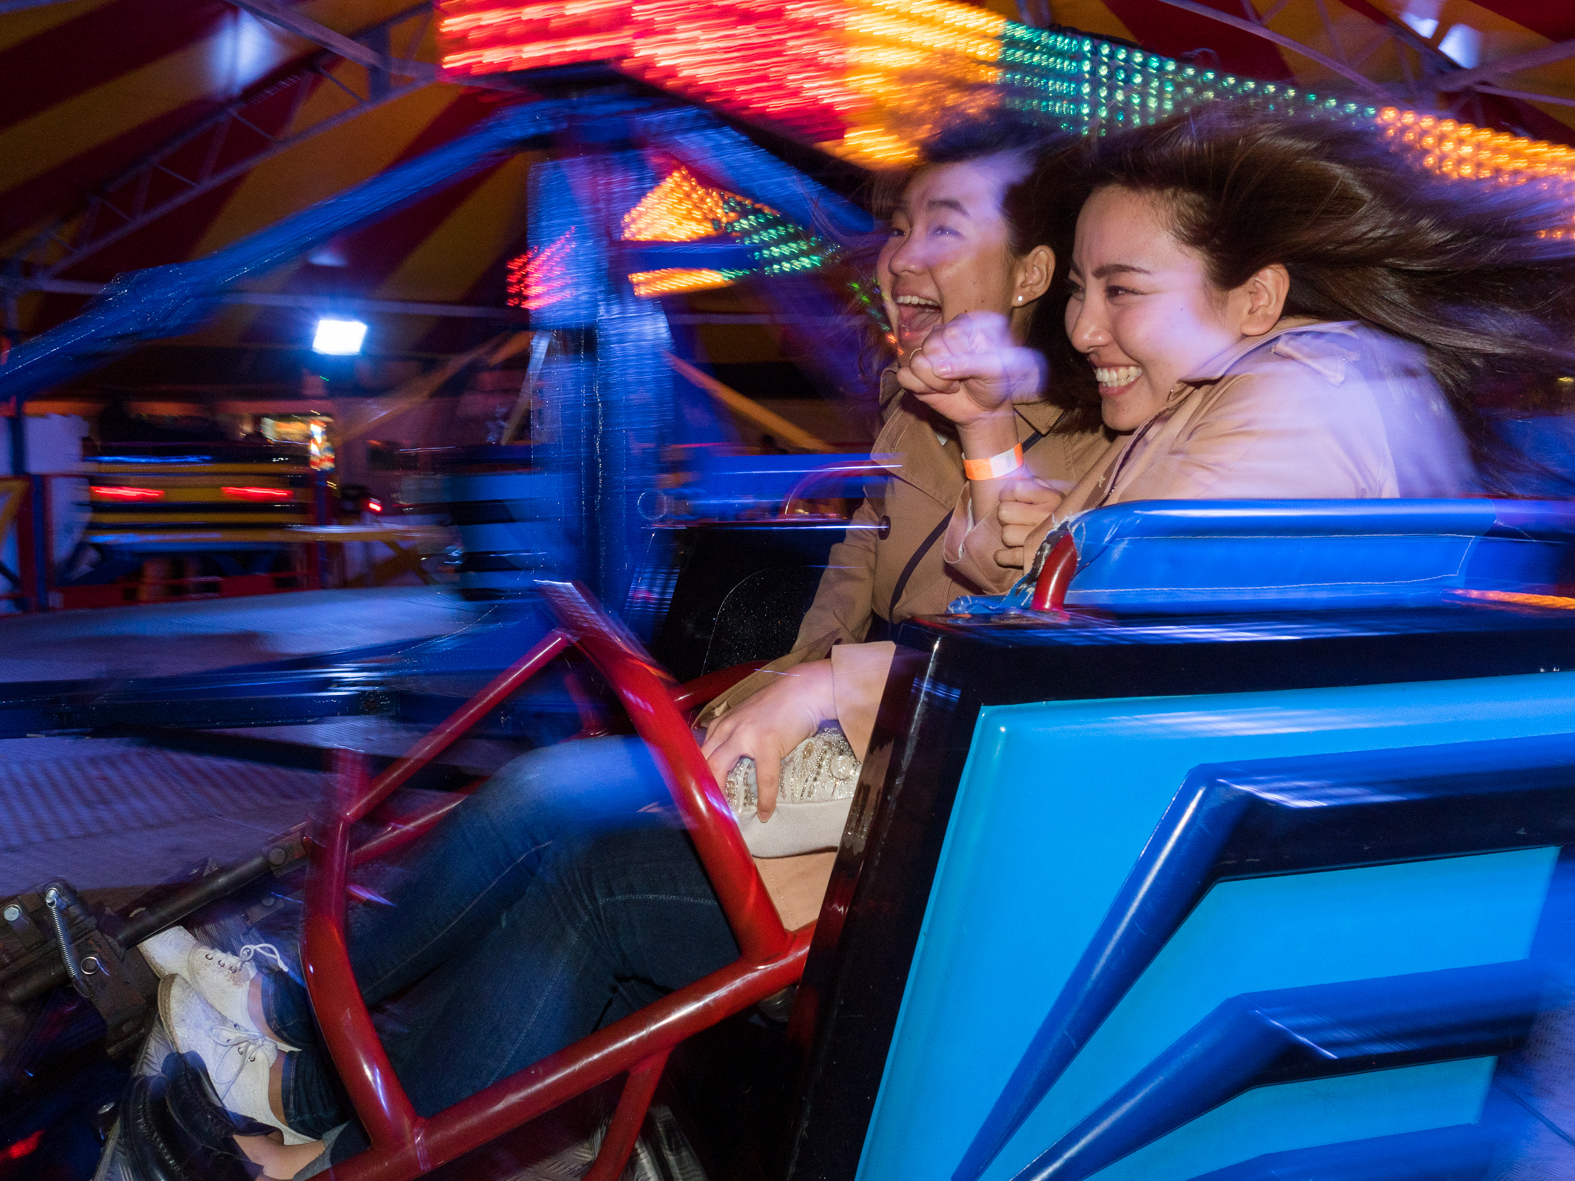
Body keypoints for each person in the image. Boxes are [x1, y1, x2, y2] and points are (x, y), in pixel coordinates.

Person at [133, 110, 1109, 1179]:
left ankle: (317, 1112)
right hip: (829, 752)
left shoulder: (1081, 448)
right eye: (902, 225)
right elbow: (838, 608)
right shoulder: (910, 416)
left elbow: (1012, 666)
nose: (900, 256)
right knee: (542, 787)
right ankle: (300, 1018)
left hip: (911, 809)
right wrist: (756, 712)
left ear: (1033, 275)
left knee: (592, 876)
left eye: (942, 227)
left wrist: (990, 443)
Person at [996, 104, 1575, 559]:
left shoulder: (1299, 394)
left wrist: (1060, 533)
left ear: (1256, 299)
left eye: (1120, 290)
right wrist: (986, 430)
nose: (1082, 330)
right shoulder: (1197, 396)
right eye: (1078, 290)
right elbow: (1018, 565)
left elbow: (1107, 607)